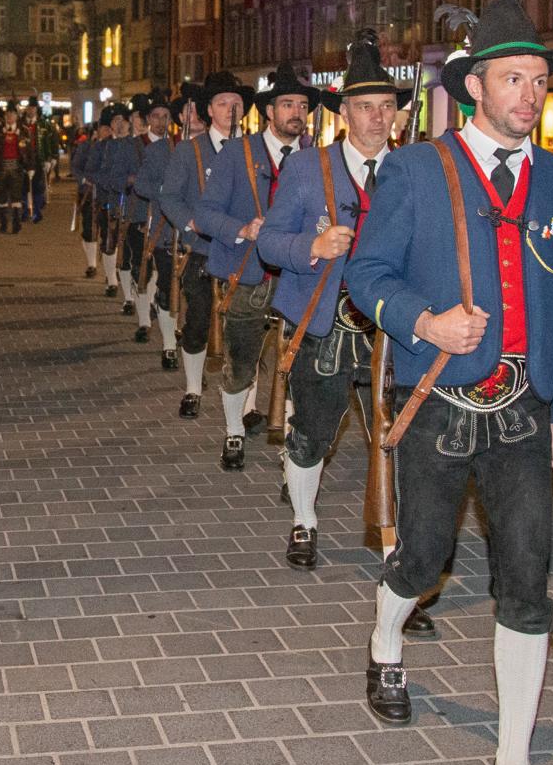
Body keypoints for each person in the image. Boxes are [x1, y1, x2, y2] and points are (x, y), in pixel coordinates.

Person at [344, 0, 553, 765]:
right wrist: (424, 323)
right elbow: (364, 276)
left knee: (527, 579)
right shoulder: (418, 171)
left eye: (540, 81)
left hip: (524, 407)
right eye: (515, 79)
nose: (531, 94)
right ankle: (384, 641)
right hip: (440, 402)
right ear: (474, 85)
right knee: (425, 557)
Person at [257, 36, 405, 572]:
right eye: (365, 107)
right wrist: (311, 247)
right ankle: (304, 520)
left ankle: (398, 556)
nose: (377, 118)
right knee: (313, 434)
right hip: (323, 323)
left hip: (392, 327)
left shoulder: (413, 169)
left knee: (396, 438)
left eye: (387, 106)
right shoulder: (306, 170)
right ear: (344, 112)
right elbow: (269, 243)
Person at [193, 65, 314, 470]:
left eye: (301, 104)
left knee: (298, 366)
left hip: (298, 279)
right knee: (240, 363)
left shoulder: (316, 158)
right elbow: (206, 213)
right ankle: (233, 431)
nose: (295, 111)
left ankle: (294, 451)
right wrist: (242, 228)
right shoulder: (236, 154)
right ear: (268, 111)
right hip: (247, 274)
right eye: (286, 104)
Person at [161, 72, 251, 418]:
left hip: (245, 254)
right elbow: (169, 197)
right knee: (198, 322)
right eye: (224, 103)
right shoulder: (189, 151)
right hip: (202, 249)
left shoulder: (254, 148)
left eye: (237, 103)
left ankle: (247, 405)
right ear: (208, 110)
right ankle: (194, 387)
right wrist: (190, 223)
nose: (232, 109)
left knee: (245, 330)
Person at [130, 94, 175, 349]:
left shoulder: (175, 147)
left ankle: (161, 306)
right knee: (142, 269)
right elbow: (139, 183)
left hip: (166, 221)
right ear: (147, 119)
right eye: (156, 117)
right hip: (139, 215)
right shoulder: (136, 145)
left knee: (165, 274)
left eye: (165, 117)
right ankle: (144, 321)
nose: (160, 122)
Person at [93, 106, 138, 307]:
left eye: (122, 120)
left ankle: (130, 295)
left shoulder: (137, 145)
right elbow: (98, 173)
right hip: (110, 200)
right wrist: (112, 182)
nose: (119, 124)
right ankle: (112, 280)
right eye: (115, 121)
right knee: (110, 243)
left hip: (133, 203)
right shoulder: (105, 147)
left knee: (129, 250)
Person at [0, 106, 31, 233]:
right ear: (4, 117)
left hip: (17, 167)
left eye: (12, 115)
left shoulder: (24, 131)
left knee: (16, 197)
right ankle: (3, 223)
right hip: (1, 166)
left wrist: (31, 167)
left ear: (17, 116)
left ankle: (16, 223)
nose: (9, 118)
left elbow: (30, 150)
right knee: (2, 196)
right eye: (7, 115)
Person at [72, 121, 102, 276]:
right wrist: (84, 180)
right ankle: (92, 264)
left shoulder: (114, 147)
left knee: (110, 232)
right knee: (89, 228)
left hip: (109, 194)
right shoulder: (85, 147)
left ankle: (112, 270)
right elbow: (75, 167)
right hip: (88, 193)